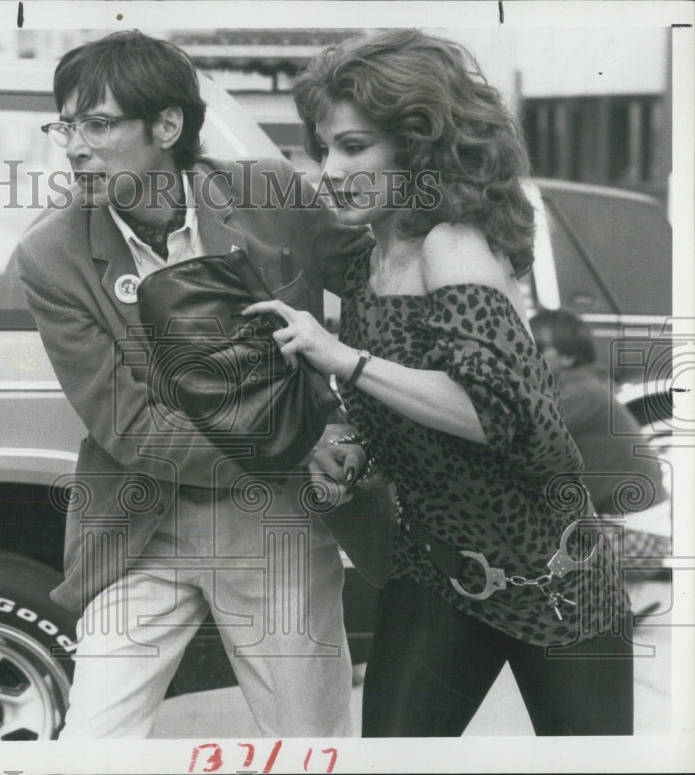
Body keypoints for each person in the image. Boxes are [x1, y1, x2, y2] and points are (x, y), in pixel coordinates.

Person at [244, 29, 633, 736]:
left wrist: (341, 357)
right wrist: (353, 445)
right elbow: (407, 397)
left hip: (556, 578)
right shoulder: (368, 262)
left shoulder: (452, 244)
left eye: (354, 146)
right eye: (323, 147)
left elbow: (496, 413)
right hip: (437, 568)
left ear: (419, 147)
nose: (329, 169)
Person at [14, 30, 365, 739]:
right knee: (92, 745)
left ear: (167, 126)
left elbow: (377, 285)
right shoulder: (50, 256)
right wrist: (299, 446)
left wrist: (352, 411)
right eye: (66, 125)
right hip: (141, 522)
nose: (75, 145)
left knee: (312, 744)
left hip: (274, 522)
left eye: (99, 123)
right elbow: (131, 428)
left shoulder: (272, 191)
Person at [530, 308, 669, 557]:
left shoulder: (579, 393)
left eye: (536, 348)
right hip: (641, 526)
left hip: (638, 534)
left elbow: (524, 436)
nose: (525, 357)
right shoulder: (587, 385)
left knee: (542, 559)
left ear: (568, 357)